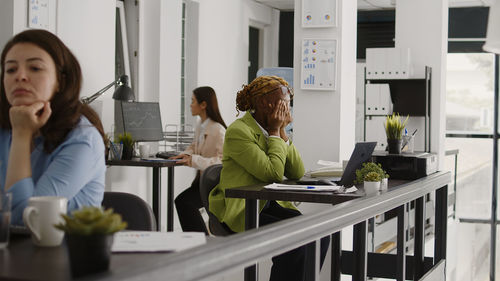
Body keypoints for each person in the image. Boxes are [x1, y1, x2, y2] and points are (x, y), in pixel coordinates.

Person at [209, 75, 329, 281]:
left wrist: (282, 132)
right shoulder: (239, 131)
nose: (288, 107)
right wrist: (275, 131)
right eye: (285, 102)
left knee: (320, 236)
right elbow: (272, 173)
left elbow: (296, 171)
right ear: (265, 103)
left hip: (269, 204)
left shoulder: (273, 130)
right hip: (244, 209)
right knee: (295, 245)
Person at [0, 29, 106, 225]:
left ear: (60, 80)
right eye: (11, 69)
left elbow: (26, 218)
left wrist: (22, 134)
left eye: (35, 68)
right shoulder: (4, 130)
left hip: (66, 253)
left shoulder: (83, 139)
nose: (20, 76)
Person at [171, 86, 226, 234]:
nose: (190, 105)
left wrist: (193, 160)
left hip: (216, 185)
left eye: (193, 101)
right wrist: (186, 154)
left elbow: (222, 162)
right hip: (203, 182)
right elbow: (195, 146)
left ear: (203, 105)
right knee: (183, 202)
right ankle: (200, 241)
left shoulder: (218, 130)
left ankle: (201, 243)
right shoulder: (201, 126)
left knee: (185, 202)